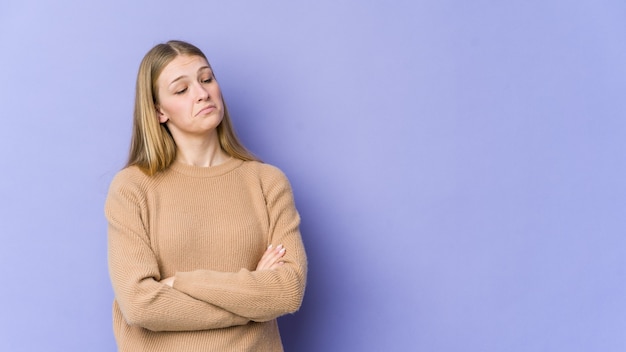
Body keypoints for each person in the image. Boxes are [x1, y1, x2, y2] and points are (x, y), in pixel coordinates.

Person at [104, 40, 307, 352]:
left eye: (206, 79)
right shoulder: (132, 188)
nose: (202, 93)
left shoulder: (267, 182)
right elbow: (140, 305)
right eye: (181, 89)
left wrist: (179, 284)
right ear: (159, 111)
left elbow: (288, 290)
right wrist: (252, 299)